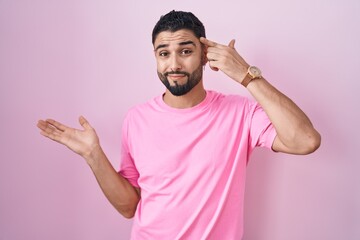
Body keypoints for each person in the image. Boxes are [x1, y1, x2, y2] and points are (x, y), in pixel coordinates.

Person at [37, 10, 321, 240]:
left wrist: (247, 76)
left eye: (185, 51)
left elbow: (305, 140)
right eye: (164, 53)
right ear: (156, 58)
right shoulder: (136, 119)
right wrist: (93, 155)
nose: (174, 64)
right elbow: (129, 207)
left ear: (204, 53)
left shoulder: (240, 112)